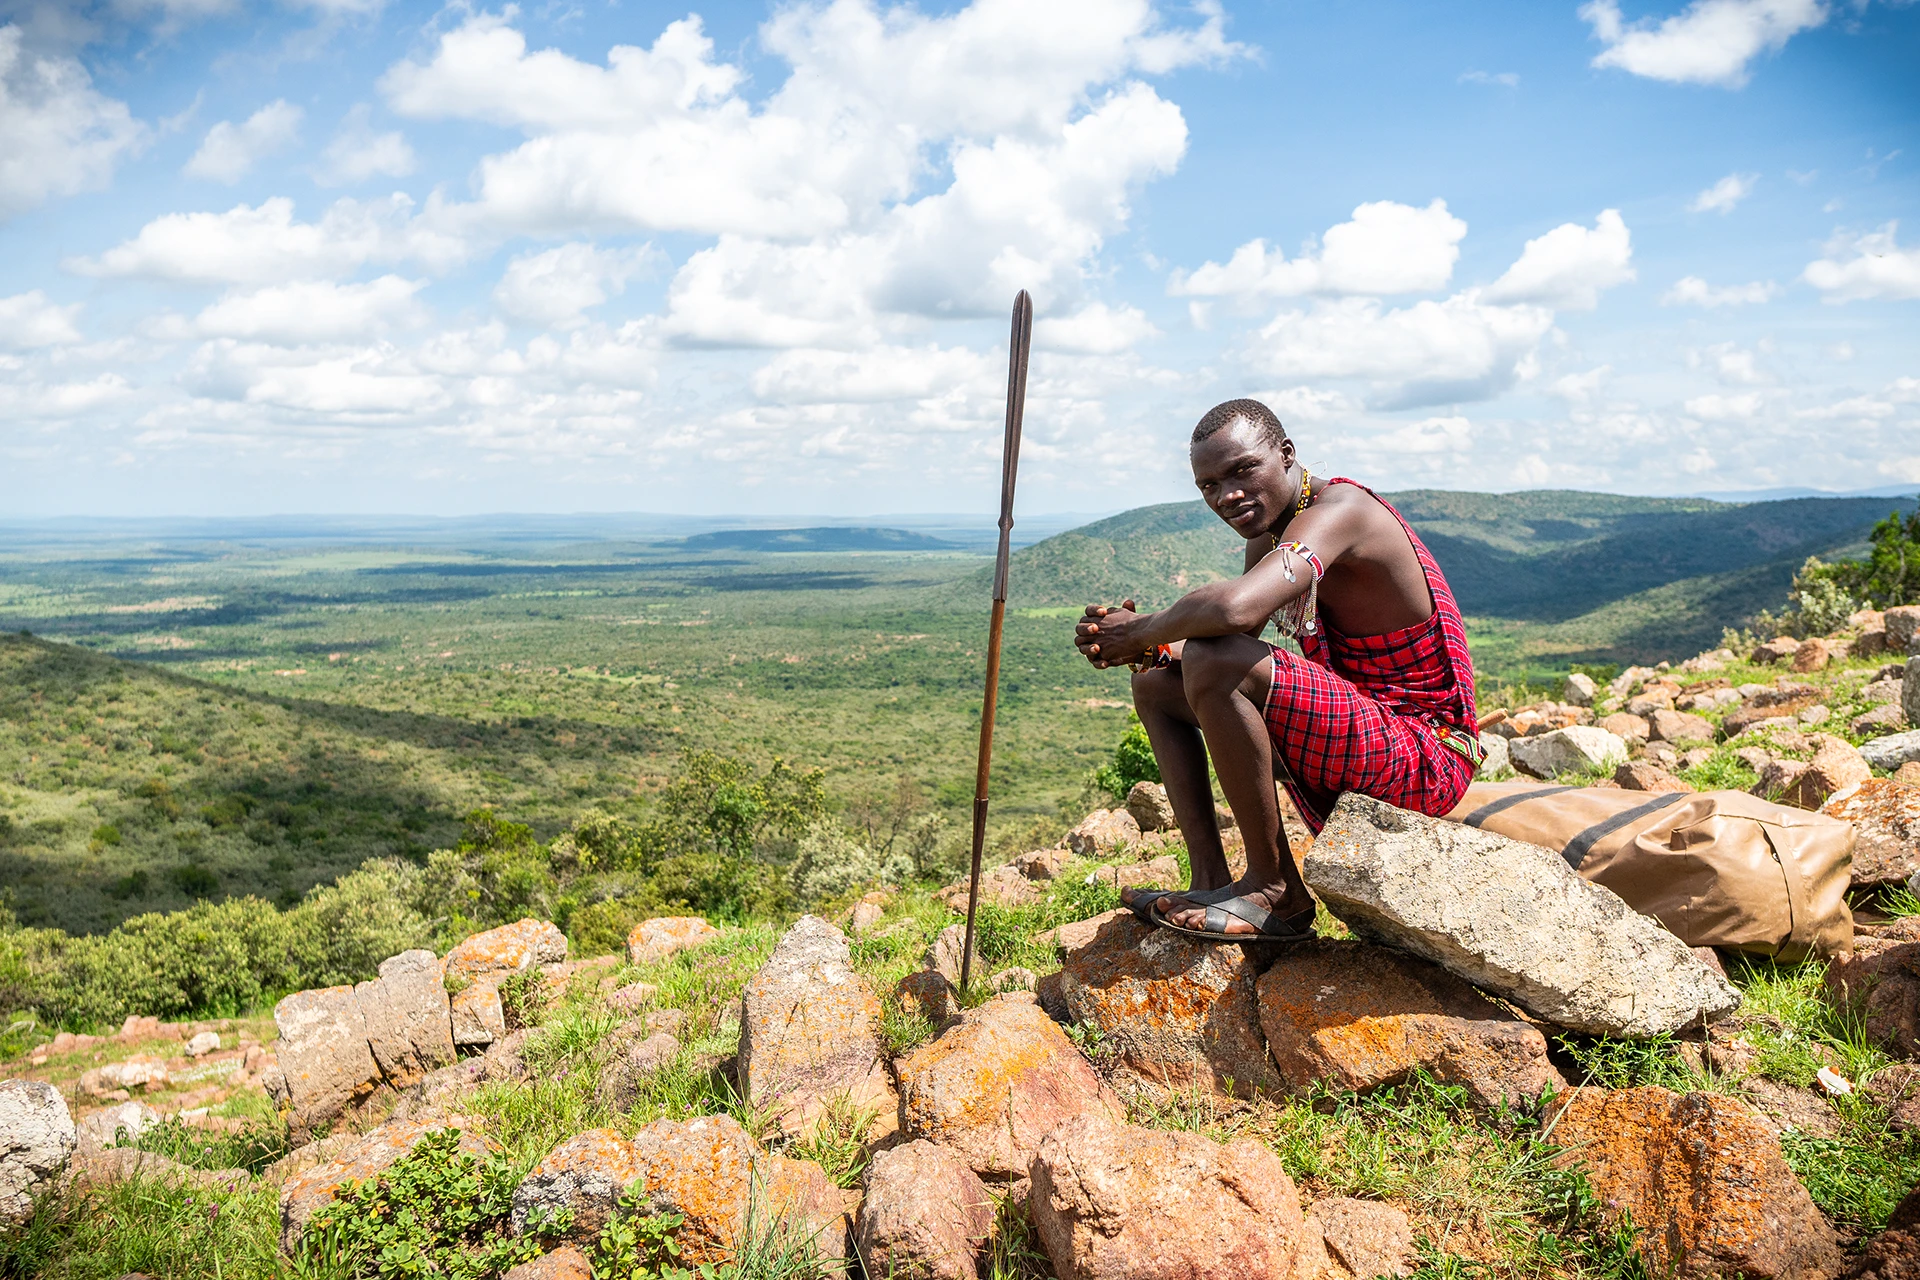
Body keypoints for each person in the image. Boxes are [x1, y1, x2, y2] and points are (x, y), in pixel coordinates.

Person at [1072, 399, 1483, 941]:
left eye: (1243, 470)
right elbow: (1231, 643)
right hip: (1367, 735)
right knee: (1156, 683)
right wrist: (1144, 652)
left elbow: (1232, 612)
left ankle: (1275, 891)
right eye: (1210, 485)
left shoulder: (1343, 510)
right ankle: (1212, 879)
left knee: (1211, 660)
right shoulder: (1272, 535)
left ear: (1286, 454)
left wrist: (1143, 630)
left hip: (1427, 757)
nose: (1228, 495)